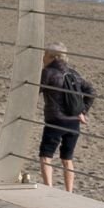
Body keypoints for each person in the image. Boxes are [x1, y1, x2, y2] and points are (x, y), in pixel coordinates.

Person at [38, 42, 95, 192]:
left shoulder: (48, 73)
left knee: (46, 156)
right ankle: (69, 192)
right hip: (73, 122)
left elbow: (35, 90)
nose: (43, 57)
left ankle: (49, 189)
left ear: (51, 57)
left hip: (55, 120)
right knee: (67, 159)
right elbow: (91, 91)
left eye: (44, 54)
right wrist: (83, 111)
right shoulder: (73, 73)